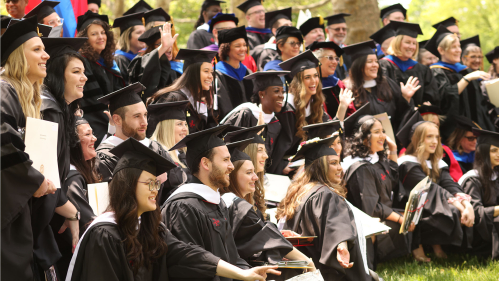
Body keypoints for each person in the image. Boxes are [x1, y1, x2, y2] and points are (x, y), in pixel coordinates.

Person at [67, 137, 278, 281]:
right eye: (149, 183)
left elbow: (188, 254)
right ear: (128, 185)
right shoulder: (105, 234)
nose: (155, 191)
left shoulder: (150, 229)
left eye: (156, 184)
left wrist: (242, 274)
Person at [0, 17, 81, 281]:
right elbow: (4, 145)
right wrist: (34, 180)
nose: (46, 54)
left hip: (22, 220)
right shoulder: (3, 91)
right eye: (36, 49)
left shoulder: (28, 100)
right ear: (17, 57)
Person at [162, 125, 282, 281]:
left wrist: (252, 274)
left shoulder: (217, 203)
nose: (231, 166)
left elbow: (232, 258)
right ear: (205, 163)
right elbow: (191, 267)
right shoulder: (183, 207)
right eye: (226, 160)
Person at [277, 136, 374, 280]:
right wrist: (342, 244)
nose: (340, 168)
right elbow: (336, 223)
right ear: (319, 166)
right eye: (333, 163)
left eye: (339, 162)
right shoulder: (325, 195)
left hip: (306, 271)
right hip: (326, 274)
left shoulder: (300, 192)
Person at [221, 139, 314, 279]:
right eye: (248, 173)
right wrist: (308, 262)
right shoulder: (237, 207)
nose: (255, 177)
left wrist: (278, 233)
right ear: (232, 175)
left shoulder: (226, 202)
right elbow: (266, 236)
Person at [342, 105, 413, 263]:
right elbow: (371, 206)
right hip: (367, 219)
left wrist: (393, 149)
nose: (382, 136)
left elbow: (393, 180)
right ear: (364, 137)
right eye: (376, 132)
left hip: (380, 212)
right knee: (401, 222)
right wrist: (400, 219)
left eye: (383, 131)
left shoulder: (376, 158)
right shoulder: (360, 167)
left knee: (413, 217)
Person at [397, 119, 475, 261]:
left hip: (433, 202)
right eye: (429, 137)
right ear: (417, 139)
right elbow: (430, 189)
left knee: (456, 208)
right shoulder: (407, 163)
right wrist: (460, 206)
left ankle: (437, 245)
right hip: (411, 208)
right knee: (451, 210)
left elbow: (449, 184)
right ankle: (417, 246)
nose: (434, 141)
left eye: (437, 137)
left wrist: (467, 204)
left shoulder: (436, 162)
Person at [95, 82, 176, 183]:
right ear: (117, 120)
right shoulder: (105, 157)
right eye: (136, 116)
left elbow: (177, 185)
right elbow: (108, 196)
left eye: (145, 115)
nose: (144, 122)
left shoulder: (155, 148)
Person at [425, 26, 494, 139]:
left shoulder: (465, 70)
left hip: (477, 127)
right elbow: (445, 97)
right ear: (441, 50)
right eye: (453, 47)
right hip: (455, 132)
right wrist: (466, 79)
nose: (458, 50)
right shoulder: (436, 71)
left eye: (459, 46)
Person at [270, 50, 331, 175]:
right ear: (298, 82)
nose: (313, 81)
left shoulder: (316, 105)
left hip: (305, 165)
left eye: (315, 76)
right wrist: (281, 165)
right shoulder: (285, 109)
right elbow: (274, 146)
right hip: (285, 170)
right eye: (307, 77)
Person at [343, 40, 418, 133]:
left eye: (376, 61)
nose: (375, 65)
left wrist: (405, 98)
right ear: (359, 65)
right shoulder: (347, 89)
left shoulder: (387, 83)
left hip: (391, 137)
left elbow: (400, 115)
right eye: (370, 61)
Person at [76, 11, 125, 146]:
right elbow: (92, 101)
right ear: (85, 39)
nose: (101, 37)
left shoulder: (108, 62)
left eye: (103, 32)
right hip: (96, 126)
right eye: (94, 34)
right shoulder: (82, 62)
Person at [147, 49, 219, 133]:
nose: (211, 76)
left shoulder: (199, 100)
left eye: (211, 72)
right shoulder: (173, 99)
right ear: (192, 73)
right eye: (206, 71)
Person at [221, 72, 288, 160]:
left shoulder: (275, 124)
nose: (281, 96)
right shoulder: (244, 114)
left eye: (282, 92)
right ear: (261, 94)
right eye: (276, 91)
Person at [379, 21, 440, 107]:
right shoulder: (384, 66)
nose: (411, 47)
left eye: (414, 43)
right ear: (397, 43)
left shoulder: (423, 70)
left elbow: (431, 97)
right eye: (407, 42)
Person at [460, 128, 499, 260]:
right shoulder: (472, 180)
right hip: (478, 233)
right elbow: (476, 213)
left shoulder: (495, 176)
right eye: (494, 150)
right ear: (483, 152)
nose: (498, 154)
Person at [148, 101, 192, 205]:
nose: (185, 129)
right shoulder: (156, 153)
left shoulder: (182, 154)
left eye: (185, 124)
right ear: (167, 127)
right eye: (179, 124)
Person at [128, 22, 180, 101]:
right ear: (151, 48)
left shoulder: (177, 65)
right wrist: (163, 47)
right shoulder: (139, 62)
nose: (168, 47)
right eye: (159, 44)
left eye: (170, 42)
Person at [215, 26, 255, 119]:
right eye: (237, 46)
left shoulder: (248, 72)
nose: (243, 49)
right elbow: (223, 106)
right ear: (226, 48)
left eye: (244, 45)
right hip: (230, 126)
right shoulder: (218, 73)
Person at [309, 41, 356, 118]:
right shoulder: (309, 85)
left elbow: (351, 111)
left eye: (336, 58)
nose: (335, 62)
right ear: (316, 60)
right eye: (330, 58)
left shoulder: (337, 83)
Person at [113, 12, 146, 83]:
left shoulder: (141, 57)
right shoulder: (120, 59)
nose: (144, 36)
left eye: (144, 32)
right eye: (139, 32)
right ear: (127, 36)